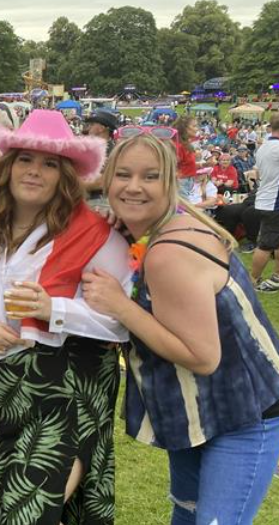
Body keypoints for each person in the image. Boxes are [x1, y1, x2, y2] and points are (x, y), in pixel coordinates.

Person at [0, 109, 130, 524]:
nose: (35, 172)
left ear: (65, 175)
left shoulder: (95, 233)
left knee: (29, 512)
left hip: (66, 393)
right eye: (25, 159)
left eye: (49, 164)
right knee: (2, 507)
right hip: (2, 389)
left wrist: (53, 309)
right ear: (8, 166)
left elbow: (122, 321)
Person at [82, 132, 279, 524]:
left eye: (150, 176)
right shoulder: (168, 220)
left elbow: (203, 357)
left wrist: (120, 306)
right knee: (186, 513)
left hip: (243, 415)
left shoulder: (169, 251)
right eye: (122, 175)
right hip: (199, 410)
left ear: (170, 181)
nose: (133, 186)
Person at [248, 114, 279, 291]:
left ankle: (276, 277)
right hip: (273, 201)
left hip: (267, 198)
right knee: (266, 244)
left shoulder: (264, 146)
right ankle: (254, 280)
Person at [82, 110, 118, 204]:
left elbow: (104, 181)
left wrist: (73, 185)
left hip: (100, 201)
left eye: (92, 124)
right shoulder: (94, 148)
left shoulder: (112, 152)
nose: (88, 128)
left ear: (101, 128)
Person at [173, 116, 199, 200]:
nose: (197, 129)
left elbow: (186, 165)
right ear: (184, 128)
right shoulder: (178, 145)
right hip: (180, 182)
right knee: (185, 210)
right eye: (194, 126)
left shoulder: (185, 144)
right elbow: (171, 165)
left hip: (187, 182)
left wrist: (207, 164)